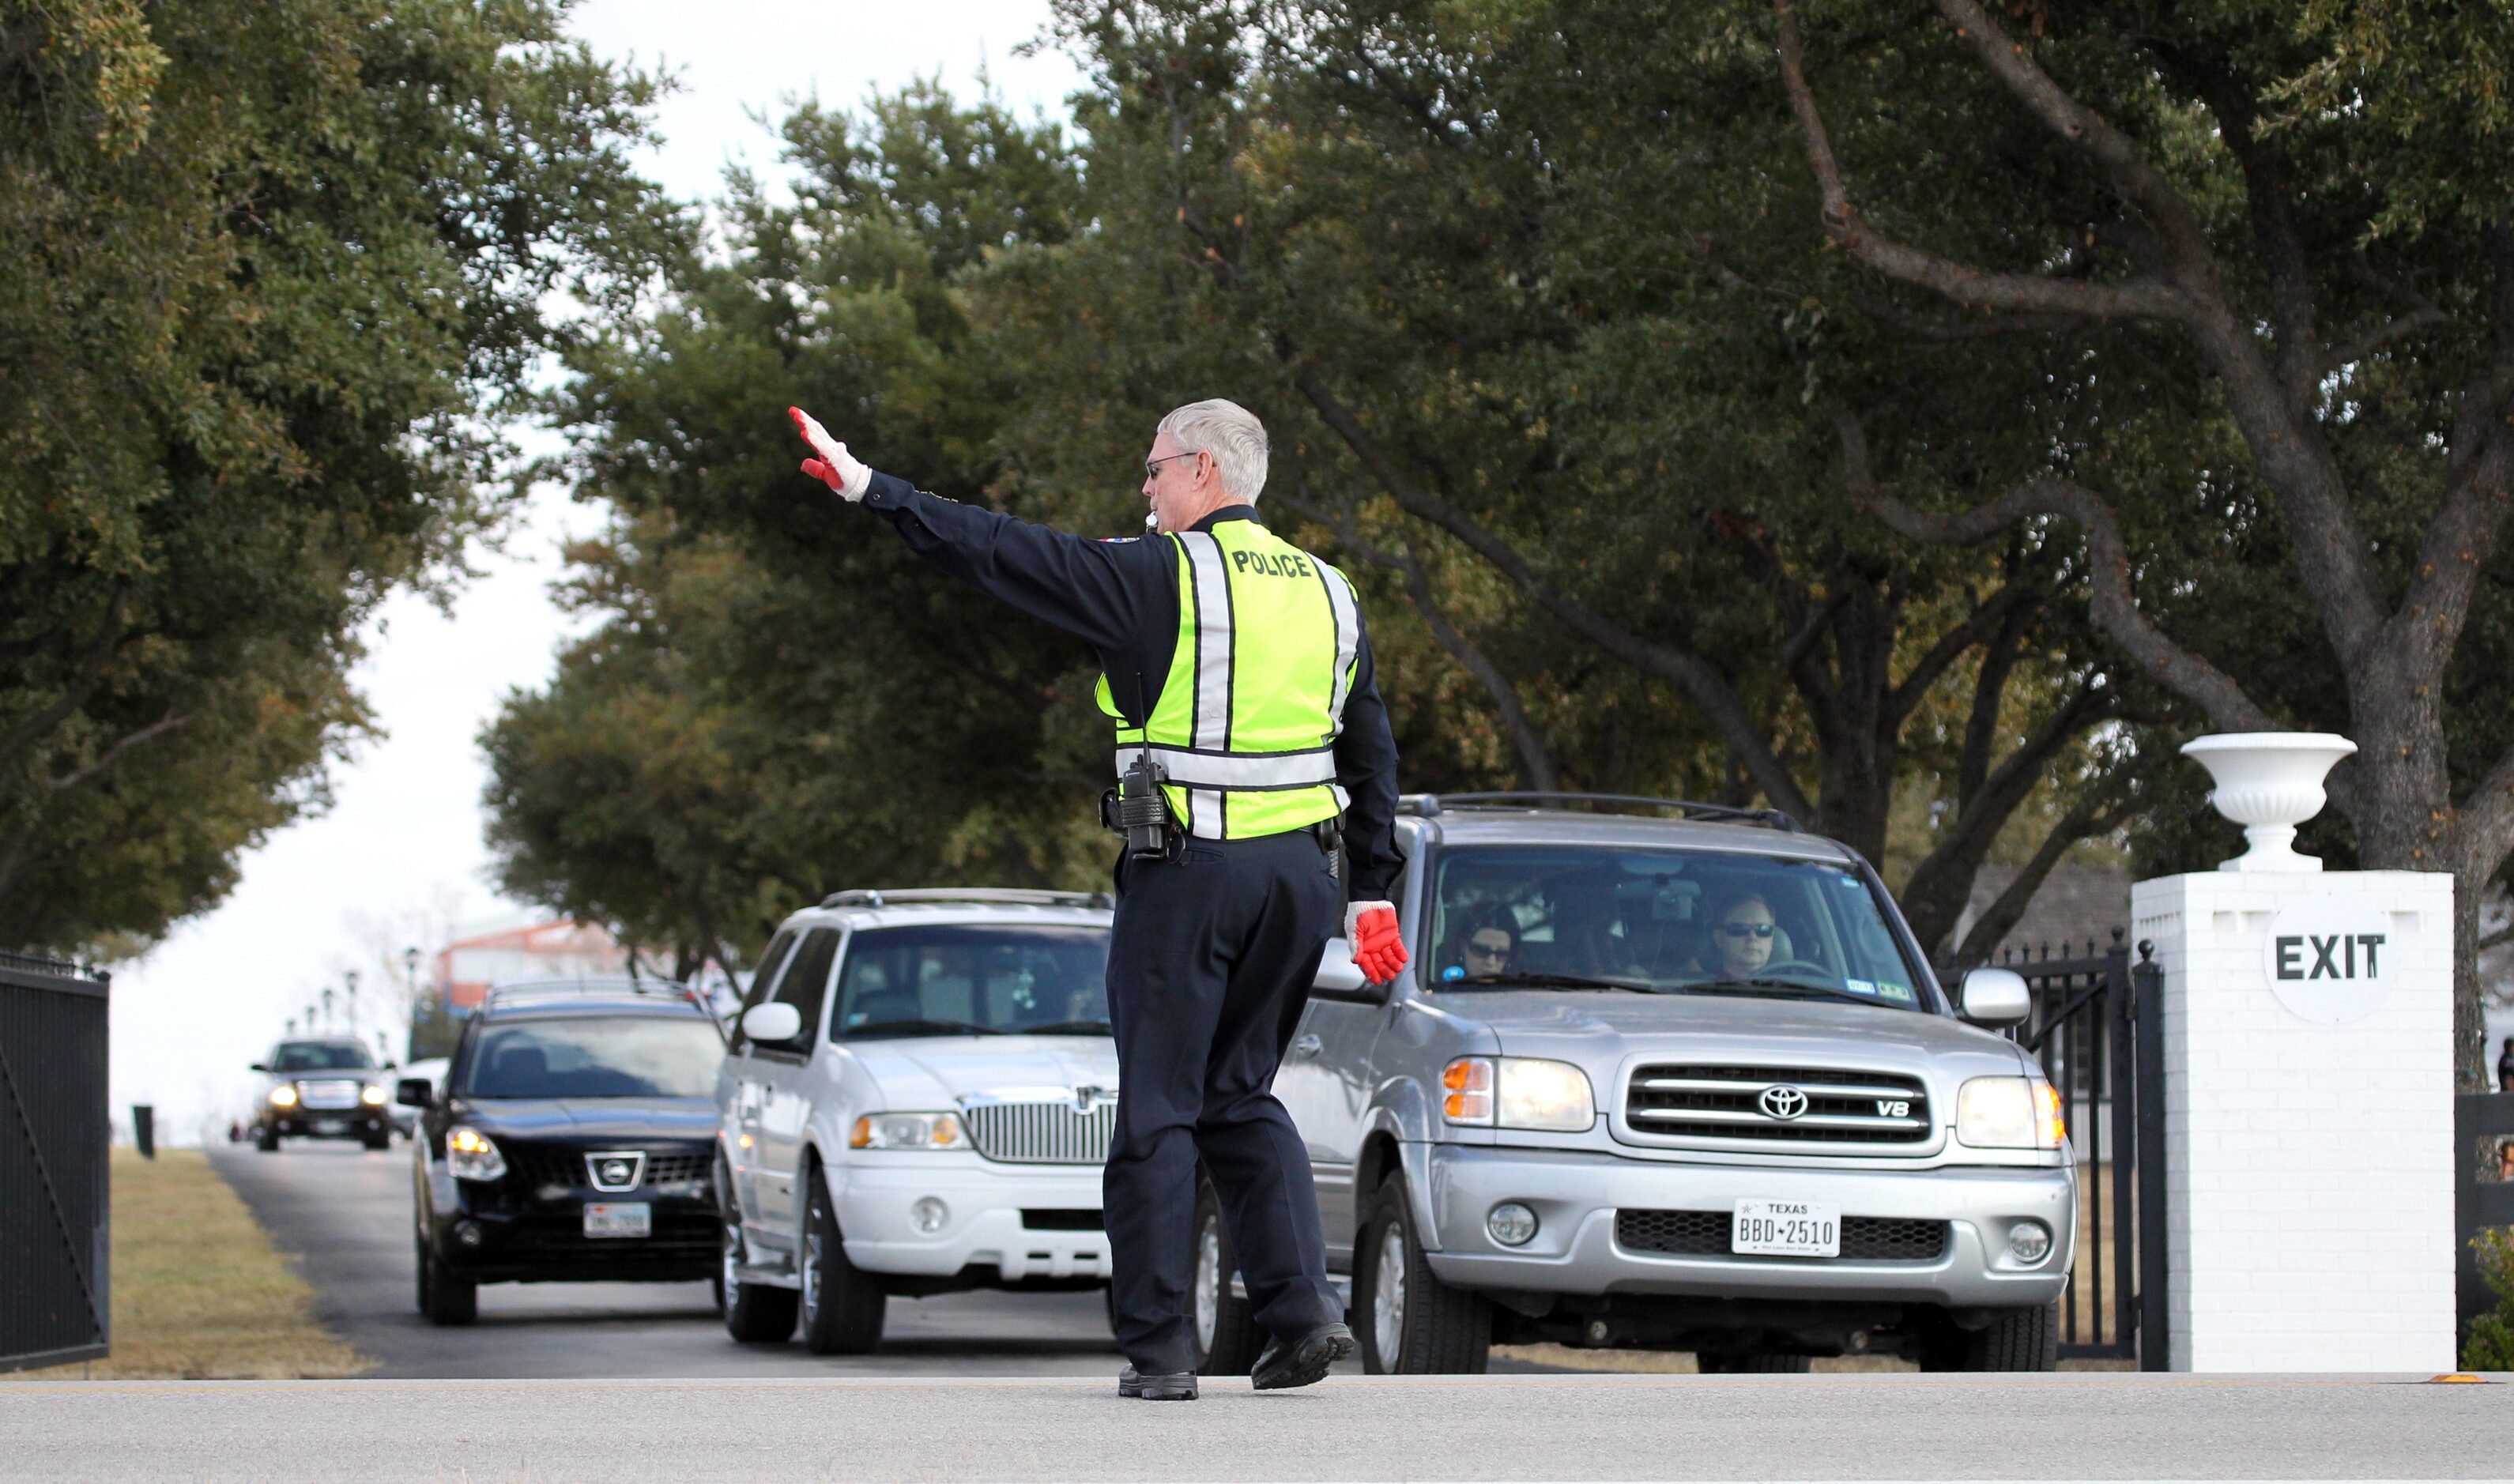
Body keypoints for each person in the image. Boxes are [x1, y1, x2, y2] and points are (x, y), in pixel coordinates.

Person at [786, 398, 1408, 1401]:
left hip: (1190, 873)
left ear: (1203, 469)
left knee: (1159, 1108)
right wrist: (1372, 891)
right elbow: (1370, 747)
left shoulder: (1160, 574)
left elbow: (1001, 551)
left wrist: (871, 489)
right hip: (1302, 883)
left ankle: (1161, 1352)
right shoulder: (1332, 592)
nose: (1148, 489)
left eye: (1155, 469)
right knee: (1240, 1096)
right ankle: (1301, 1318)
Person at [1694, 891, 1780, 981]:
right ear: (1718, 938)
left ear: (1772, 940)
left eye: (1763, 929)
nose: (1752, 937)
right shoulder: (1699, 992)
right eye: (1740, 929)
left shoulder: (1790, 990)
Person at [1440, 906, 1517, 982]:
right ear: (1462, 947)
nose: (1491, 962)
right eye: (1481, 950)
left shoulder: (1521, 990)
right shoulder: (1437, 986)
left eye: (1502, 954)